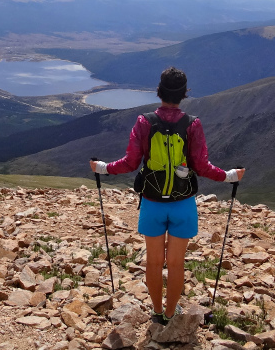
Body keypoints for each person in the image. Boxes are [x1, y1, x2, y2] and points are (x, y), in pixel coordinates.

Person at [90, 67, 244, 324]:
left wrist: (103, 168)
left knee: (153, 262)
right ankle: (172, 313)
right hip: (183, 204)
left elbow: (130, 162)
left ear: (159, 91)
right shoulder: (192, 124)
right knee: (176, 264)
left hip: (152, 203)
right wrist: (230, 176)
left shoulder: (144, 122)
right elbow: (202, 166)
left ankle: (157, 311)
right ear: (184, 94)